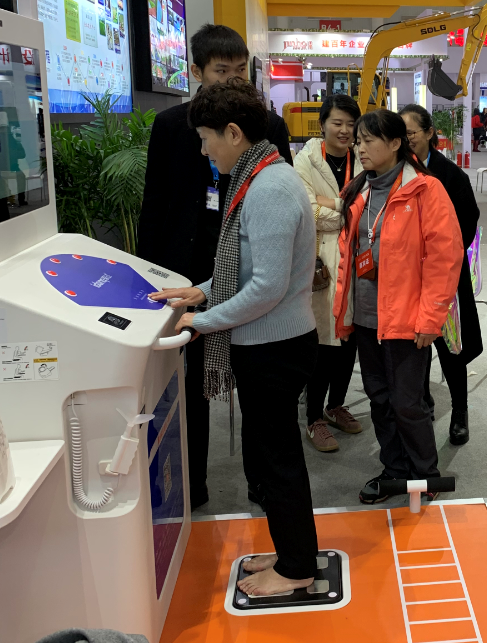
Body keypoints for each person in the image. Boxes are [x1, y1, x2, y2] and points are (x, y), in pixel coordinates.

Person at [149, 79, 319, 596]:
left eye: (207, 139)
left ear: (233, 132)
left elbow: (266, 288)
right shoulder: (259, 177)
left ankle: (296, 568)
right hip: (267, 343)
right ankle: (291, 550)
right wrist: (200, 292)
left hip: (274, 349)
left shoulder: (268, 188)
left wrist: (201, 320)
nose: (205, 151)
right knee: (271, 456)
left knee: (277, 459)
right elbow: (241, 272)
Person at [137, 24, 292, 510]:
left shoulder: (268, 126)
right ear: (196, 71)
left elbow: (280, 200)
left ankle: (261, 482)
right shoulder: (171, 125)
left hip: (246, 267)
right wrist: (149, 273)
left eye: (240, 70)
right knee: (192, 384)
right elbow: (155, 204)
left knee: (254, 381)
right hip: (187, 271)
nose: (232, 80)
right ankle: (193, 483)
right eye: (222, 71)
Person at [332, 110, 463, 504]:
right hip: (367, 316)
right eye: (358, 141)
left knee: (407, 403)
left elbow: (445, 259)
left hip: (407, 318)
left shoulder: (425, 190)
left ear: (394, 144)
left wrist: (431, 318)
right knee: (379, 399)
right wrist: (343, 313)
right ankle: (394, 470)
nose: (360, 147)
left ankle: (425, 474)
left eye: (368, 140)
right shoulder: (358, 190)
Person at [400, 104, 484, 445]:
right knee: (413, 344)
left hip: (445, 275)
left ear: (429, 133)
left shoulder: (451, 175)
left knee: (451, 346)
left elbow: (468, 221)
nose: (406, 139)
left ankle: (460, 410)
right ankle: (424, 401)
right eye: (401, 134)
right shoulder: (398, 171)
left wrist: (439, 255)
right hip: (408, 276)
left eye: (411, 133)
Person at [294, 95, 364, 453]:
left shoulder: (361, 158)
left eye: (351, 124)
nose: (345, 131)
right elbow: (307, 211)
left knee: (349, 338)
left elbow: (370, 208)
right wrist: (347, 209)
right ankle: (313, 418)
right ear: (322, 124)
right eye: (338, 123)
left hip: (357, 260)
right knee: (322, 341)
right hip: (320, 261)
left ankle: (336, 405)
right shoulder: (305, 160)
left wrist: (333, 204)